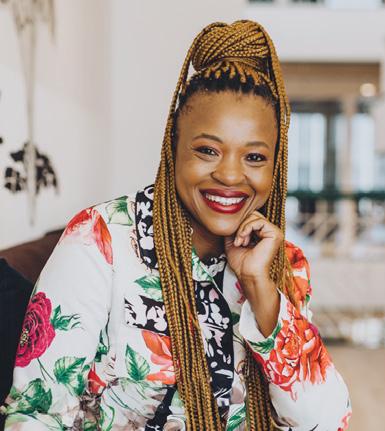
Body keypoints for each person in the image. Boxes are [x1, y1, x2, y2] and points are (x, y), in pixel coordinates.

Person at [0, 20, 352, 430]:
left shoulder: (282, 263)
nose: (231, 175)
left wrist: (260, 290)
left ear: (276, 166)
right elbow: (36, 415)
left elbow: (326, 421)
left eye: (255, 157)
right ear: (173, 148)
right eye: (208, 150)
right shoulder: (101, 240)